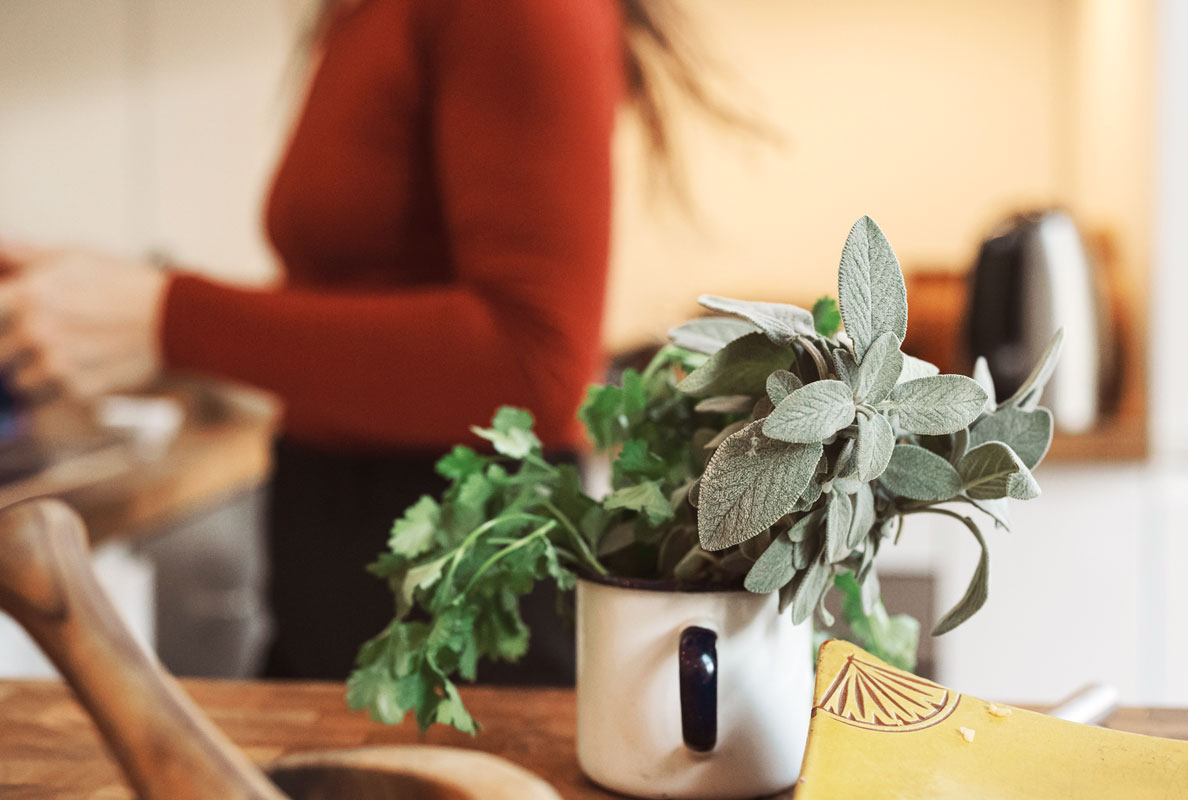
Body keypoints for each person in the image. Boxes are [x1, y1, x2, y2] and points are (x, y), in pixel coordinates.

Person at [0, 0, 712, 680]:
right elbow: (362, 298)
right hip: (340, 588)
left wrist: (168, 320)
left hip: (458, 613)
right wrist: (132, 318)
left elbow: (534, 364)